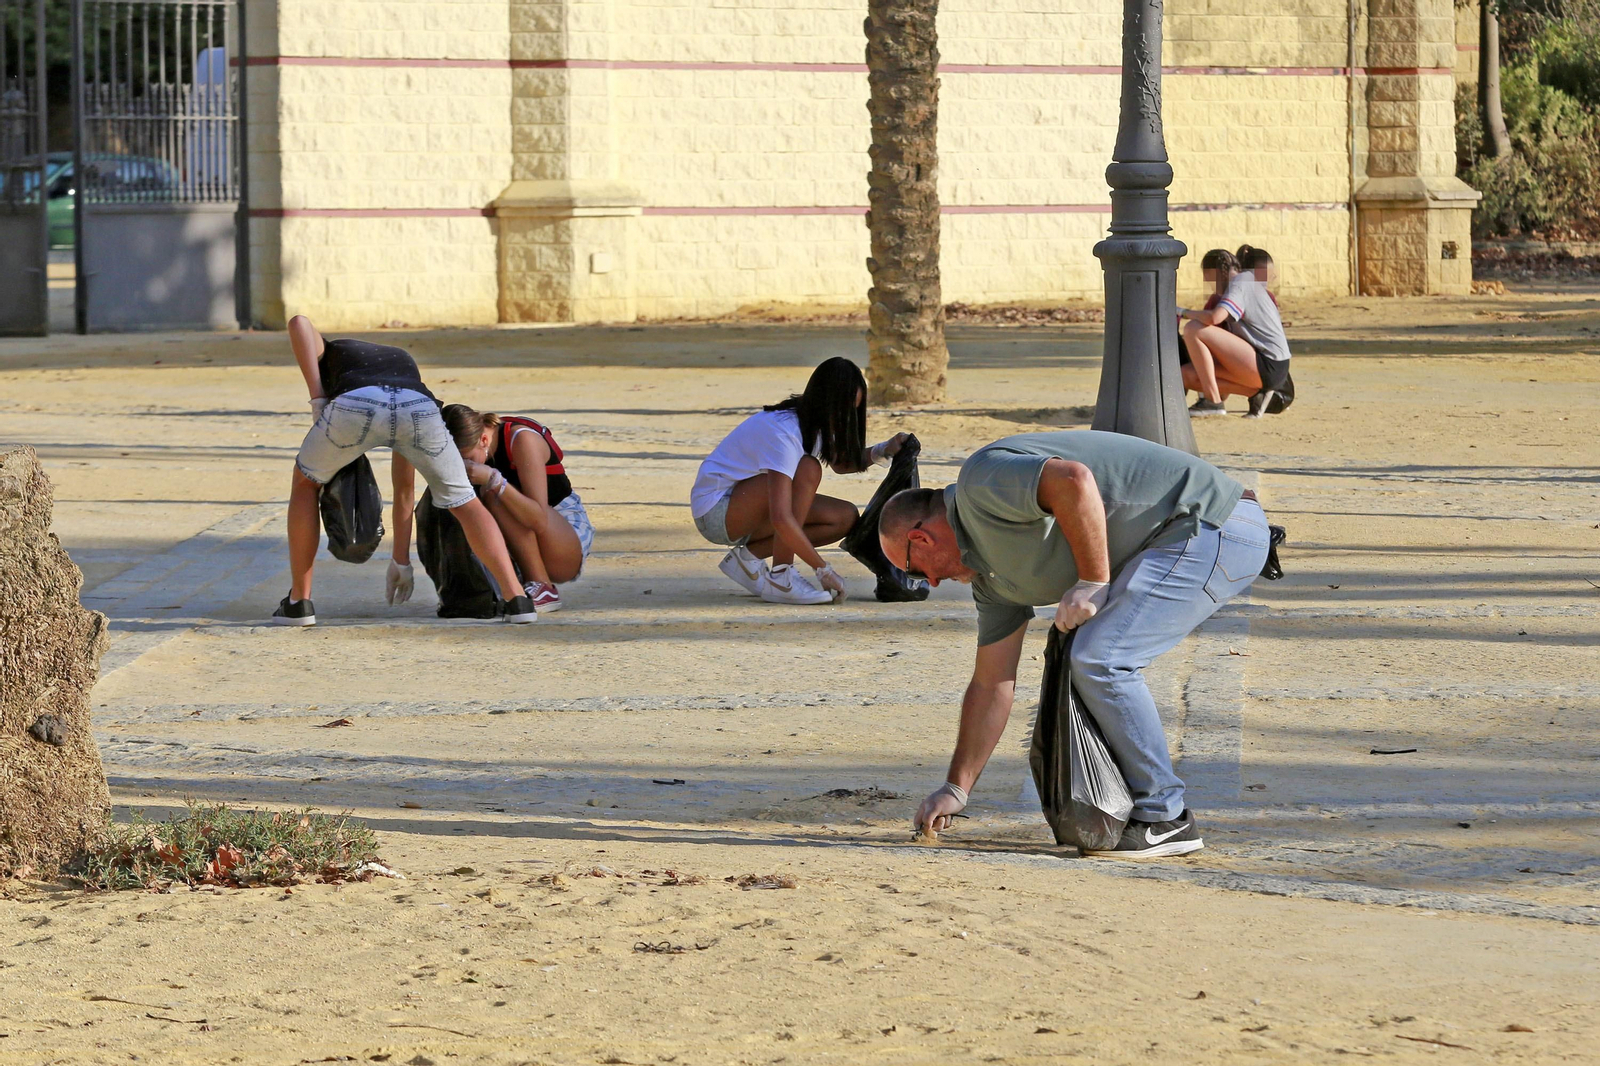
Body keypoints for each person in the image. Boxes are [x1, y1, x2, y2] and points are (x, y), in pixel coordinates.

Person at [879, 430, 1272, 858]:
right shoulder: (992, 581)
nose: (932, 583)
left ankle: (1165, 817)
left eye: (914, 571)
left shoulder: (980, 482)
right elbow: (992, 683)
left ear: (920, 539)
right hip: (1186, 539)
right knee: (1091, 655)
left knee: (1101, 658)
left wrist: (1092, 581)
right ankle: (1146, 809)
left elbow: (1073, 480)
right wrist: (957, 788)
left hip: (1216, 524)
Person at [275, 316, 538, 625]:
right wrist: (401, 561)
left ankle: (299, 602)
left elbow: (298, 323)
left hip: (355, 402)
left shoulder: (331, 351)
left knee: (306, 484)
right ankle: (517, 599)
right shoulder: (401, 363)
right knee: (465, 501)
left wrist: (318, 399)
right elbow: (404, 489)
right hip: (418, 406)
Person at [690, 357, 908, 605]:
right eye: (843, 409)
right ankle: (782, 578)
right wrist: (822, 569)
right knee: (808, 469)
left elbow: (841, 464)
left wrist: (884, 450)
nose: (847, 417)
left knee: (843, 517)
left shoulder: (814, 422)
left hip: (745, 510)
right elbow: (781, 517)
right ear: (824, 400)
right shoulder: (784, 431)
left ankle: (747, 560)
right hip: (717, 512)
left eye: (853, 410)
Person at [441, 404, 594, 613]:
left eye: (466, 460)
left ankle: (542, 586)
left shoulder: (522, 439)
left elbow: (539, 519)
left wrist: (494, 479)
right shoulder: (478, 446)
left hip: (562, 533)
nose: (463, 467)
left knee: (494, 494)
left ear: (484, 440)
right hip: (523, 540)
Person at [1179, 247, 1294, 419]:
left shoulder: (1242, 281)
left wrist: (1182, 312)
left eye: (1211, 280)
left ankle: (1212, 402)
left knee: (1193, 329)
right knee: (1186, 375)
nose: (1212, 287)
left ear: (1220, 272)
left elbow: (1215, 317)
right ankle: (1257, 394)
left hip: (1269, 363)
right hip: (1262, 365)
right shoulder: (1242, 284)